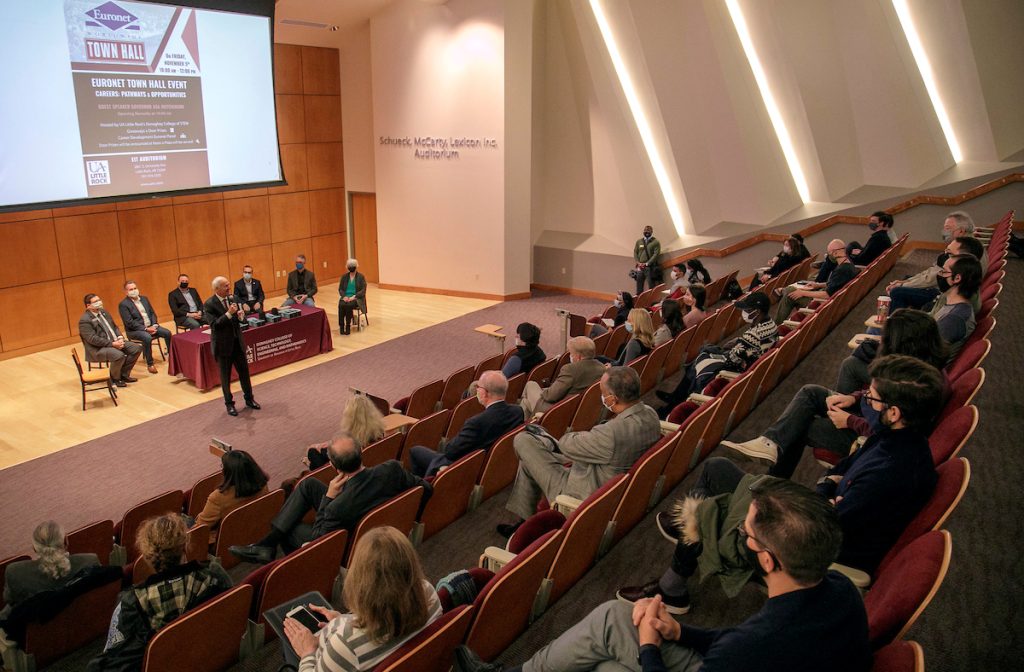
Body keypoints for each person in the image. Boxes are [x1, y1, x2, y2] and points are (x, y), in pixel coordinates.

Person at [456, 478, 869, 672]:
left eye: (746, 534)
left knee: (611, 636)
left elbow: (742, 647)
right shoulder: (837, 588)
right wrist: (679, 632)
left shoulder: (757, 644)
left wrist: (652, 647)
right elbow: (739, 640)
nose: (740, 535)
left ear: (767, 561)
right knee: (611, 641)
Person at [717, 355, 940, 572]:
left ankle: (695, 559)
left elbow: (826, 523)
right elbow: (841, 468)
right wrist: (830, 487)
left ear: (893, 413)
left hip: (808, 549)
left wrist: (829, 490)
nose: (866, 403)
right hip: (820, 516)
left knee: (714, 489)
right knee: (721, 478)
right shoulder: (894, 440)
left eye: (871, 398)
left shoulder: (888, 472)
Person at [497, 366, 661, 538]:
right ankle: (526, 524)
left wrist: (568, 439)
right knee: (531, 457)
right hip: (599, 468)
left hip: (580, 491)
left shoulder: (611, 433)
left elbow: (567, 444)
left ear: (612, 399)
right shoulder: (650, 415)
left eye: (603, 393)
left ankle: (526, 527)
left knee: (523, 440)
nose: (602, 397)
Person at [229, 433, 432, 563]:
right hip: (366, 514)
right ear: (361, 453)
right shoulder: (392, 469)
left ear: (333, 467)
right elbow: (426, 488)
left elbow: (320, 540)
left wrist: (328, 498)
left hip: (353, 537)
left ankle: (293, 568)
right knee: (308, 484)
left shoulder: (336, 507)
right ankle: (267, 544)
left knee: (292, 529)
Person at [280, 526, 442, 672]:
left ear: (362, 581)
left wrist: (308, 652)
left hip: (336, 654)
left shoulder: (347, 644)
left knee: (290, 638)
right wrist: (344, 620)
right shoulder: (428, 594)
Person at [86, 515, 232, 671]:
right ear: (185, 546)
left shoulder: (133, 601)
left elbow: (116, 658)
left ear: (148, 557)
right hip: (210, 654)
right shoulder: (214, 575)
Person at [658, 292, 777, 413]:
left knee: (701, 357)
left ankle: (679, 403)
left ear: (757, 311)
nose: (744, 312)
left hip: (736, 370)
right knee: (702, 356)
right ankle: (677, 397)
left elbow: (731, 361)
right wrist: (737, 342)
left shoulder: (752, 335)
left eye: (747, 309)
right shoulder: (771, 324)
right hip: (749, 362)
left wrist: (718, 351)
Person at [410, 371, 523, 477]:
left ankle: (421, 488)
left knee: (415, 450)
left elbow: (450, 452)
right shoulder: (517, 411)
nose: (476, 390)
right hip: (493, 465)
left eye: (478, 387)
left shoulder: (477, 422)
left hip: (466, 469)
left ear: (484, 393)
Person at [886, 211, 986, 310]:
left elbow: (934, 277)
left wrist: (903, 285)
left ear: (961, 231)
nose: (944, 231)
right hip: (951, 289)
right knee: (907, 279)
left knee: (898, 292)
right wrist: (905, 281)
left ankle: (893, 322)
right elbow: (934, 270)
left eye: (948, 228)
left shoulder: (962, 250)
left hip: (946, 293)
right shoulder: (968, 244)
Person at [0, 521, 99, 620]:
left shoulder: (15, 572)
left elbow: (9, 599)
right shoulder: (90, 561)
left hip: (37, 630)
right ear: (66, 542)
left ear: (35, 548)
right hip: (84, 620)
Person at [835, 308, 948, 395]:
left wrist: (849, 419)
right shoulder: (930, 360)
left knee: (850, 364)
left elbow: (876, 420)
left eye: (889, 339)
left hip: (855, 420)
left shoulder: (910, 387)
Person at [204, 276, 260, 416]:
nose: (229, 288)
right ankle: (229, 405)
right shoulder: (209, 304)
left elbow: (240, 320)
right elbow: (215, 325)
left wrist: (241, 317)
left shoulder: (233, 298)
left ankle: (249, 399)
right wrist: (229, 314)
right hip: (223, 347)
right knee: (225, 377)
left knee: (244, 374)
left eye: (229, 285)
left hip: (237, 343)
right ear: (217, 289)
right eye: (225, 286)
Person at [774, 239, 858, 324]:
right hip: (831, 301)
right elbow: (836, 284)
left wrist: (802, 293)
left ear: (835, 253)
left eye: (829, 253)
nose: (828, 256)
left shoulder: (842, 270)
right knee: (791, 290)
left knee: (789, 293)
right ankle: (784, 291)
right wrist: (818, 285)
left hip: (824, 305)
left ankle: (776, 326)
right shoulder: (848, 264)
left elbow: (827, 294)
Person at [195, 450, 270, 542]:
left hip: (225, 542)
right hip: (255, 531)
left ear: (229, 472)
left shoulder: (218, 497)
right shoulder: (262, 484)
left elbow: (200, 527)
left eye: (222, 466)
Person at [521, 337, 606, 417]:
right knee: (525, 403)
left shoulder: (570, 369)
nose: (570, 356)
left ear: (578, 357)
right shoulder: (602, 367)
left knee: (530, 385)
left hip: (558, 410)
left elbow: (551, 396)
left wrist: (544, 391)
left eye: (571, 353)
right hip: (579, 409)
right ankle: (523, 426)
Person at [305, 394, 387, 470]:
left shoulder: (351, 438)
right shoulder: (378, 430)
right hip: (364, 462)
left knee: (312, 452)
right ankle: (312, 466)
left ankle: (312, 468)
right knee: (320, 451)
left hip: (346, 467)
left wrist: (317, 447)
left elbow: (339, 451)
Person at [79, 293, 143, 388]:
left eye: (99, 300)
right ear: (88, 305)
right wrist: (112, 344)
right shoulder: (85, 320)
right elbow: (92, 339)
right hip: (98, 349)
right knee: (118, 355)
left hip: (115, 342)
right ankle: (115, 379)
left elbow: (114, 326)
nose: (99, 302)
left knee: (136, 348)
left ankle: (123, 375)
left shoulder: (104, 312)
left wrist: (120, 337)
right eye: (95, 301)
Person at [928, 253, 981, 357]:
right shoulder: (952, 305)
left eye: (944, 271)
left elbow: (927, 354)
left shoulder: (954, 319)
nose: (939, 274)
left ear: (957, 278)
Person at [118, 280, 172, 374]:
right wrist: (146, 329)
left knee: (167, 333)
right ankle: (150, 364)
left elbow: (152, 313)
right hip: (135, 330)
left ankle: (172, 356)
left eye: (135, 288)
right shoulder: (123, 305)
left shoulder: (144, 299)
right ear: (126, 292)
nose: (134, 291)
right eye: (131, 289)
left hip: (151, 326)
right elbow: (129, 322)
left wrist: (154, 325)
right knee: (147, 337)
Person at [337, 258, 367, 335]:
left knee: (348, 305)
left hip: (356, 298)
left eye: (353, 266)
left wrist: (354, 296)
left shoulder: (361, 277)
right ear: (347, 267)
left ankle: (347, 326)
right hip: (346, 297)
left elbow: (363, 290)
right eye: (350, 266)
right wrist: (344, 296)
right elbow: (340, 289)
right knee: (341, 305)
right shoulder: (344, 277)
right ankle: (341, 326)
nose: (351, 267)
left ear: (356, 266)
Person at [633, 225, 662, 294]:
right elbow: (635, 252)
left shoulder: (655, 242)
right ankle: (639, 300)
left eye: (648, 230)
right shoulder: (639, 241)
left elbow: (656, 254)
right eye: (645, 230)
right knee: (639, 285)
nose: (647, 232)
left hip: (649, 267)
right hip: (640, 267)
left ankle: (651, 302)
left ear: (652, 232)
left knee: (651, 286)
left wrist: (647, 263)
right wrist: (638, 262)